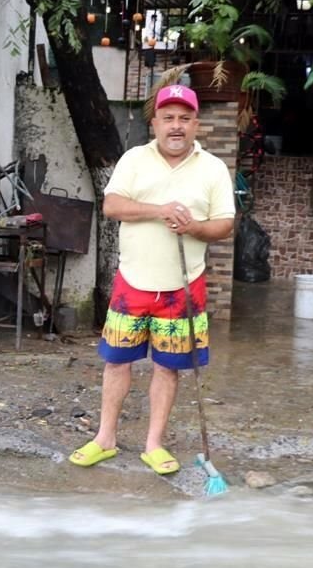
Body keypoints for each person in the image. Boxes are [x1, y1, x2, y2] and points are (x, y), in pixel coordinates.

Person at [69, 84, 236, 475]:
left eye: (184, 118)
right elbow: (112, 205)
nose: (176, 126)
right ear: (155, 123)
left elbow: (225, 224)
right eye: (168, 118)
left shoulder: (212, 168)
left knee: (168, 366)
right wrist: (160, 210)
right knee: (116, 362)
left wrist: (194, 227)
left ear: (196, 124)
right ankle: (104, 439)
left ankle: (154, 444)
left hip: (183, 286)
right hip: (133, 281)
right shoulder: (134, 160)